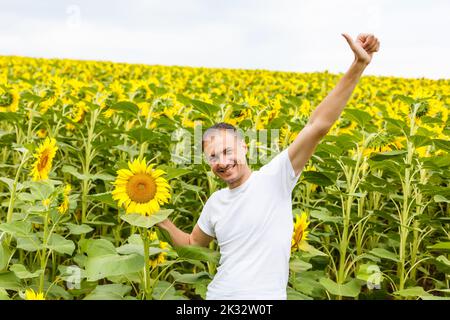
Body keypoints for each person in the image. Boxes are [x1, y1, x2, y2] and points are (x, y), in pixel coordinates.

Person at [157, 33, 380, 299]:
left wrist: (358, 65)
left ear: (244, 148)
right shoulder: (215, 202)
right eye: (213, 157)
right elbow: (193, 245)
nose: (222, 162)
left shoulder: (275, 178)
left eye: (228, 151)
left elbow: (317, 127)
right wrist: (159, 218)